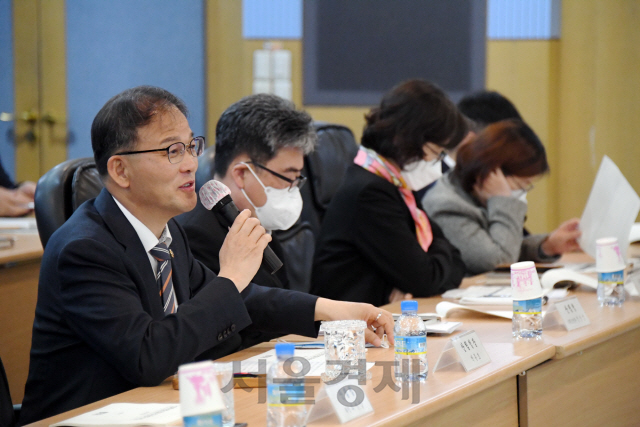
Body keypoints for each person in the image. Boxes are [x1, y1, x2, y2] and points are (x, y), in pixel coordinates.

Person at [20, 86, 394, 424]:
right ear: (120, 169)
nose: (190, 164)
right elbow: (149, 357)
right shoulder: (84, 249)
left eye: (190, 146)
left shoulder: (168, 232)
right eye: (171, 150)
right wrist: (230, 275)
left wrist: (329, 310)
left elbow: (240, 299)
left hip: (161, 409)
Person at [311, 79, 467, 307]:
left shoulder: (394, 184)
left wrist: (429, 264)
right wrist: (432, 263)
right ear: (406, 138)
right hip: (346, 330)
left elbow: (456, 262)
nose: (437, 162)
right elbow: (425, 279)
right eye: (436, 151)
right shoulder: (370, 192)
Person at [177, 93, 315, 350]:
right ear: (241, 174)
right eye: (288, 177)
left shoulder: (257, 223)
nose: (294, 189)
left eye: (298, 178)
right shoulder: (196, 234)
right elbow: (239, 330)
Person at [422, 119, 581, 275]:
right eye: (521, 185)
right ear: (492, 173)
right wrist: (504, 200)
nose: (523, 192)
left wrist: (547, 246)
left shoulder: (476, 196)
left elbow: (505, 246)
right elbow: (500, 260)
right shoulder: (447, 205)